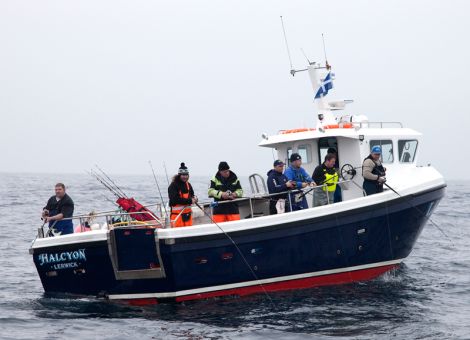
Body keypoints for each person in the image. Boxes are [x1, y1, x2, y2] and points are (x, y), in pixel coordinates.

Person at [168, 163, 198, 227]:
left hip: (188, 216)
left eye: (186, 175)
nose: (185, 177)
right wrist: (190, 201)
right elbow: (174, 200)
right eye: (183, 175)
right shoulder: (173, 186)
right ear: (179, 175)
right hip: (177, 217)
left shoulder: (188, 185)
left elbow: (192, 195)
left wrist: (195, 198)